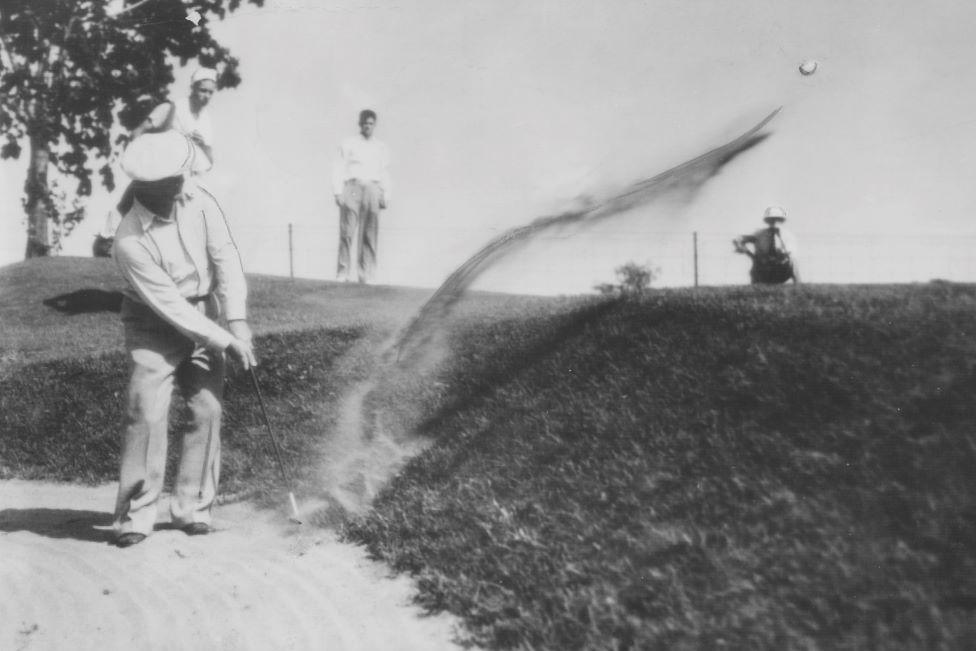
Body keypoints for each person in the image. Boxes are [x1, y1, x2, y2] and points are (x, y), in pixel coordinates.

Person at [111, 130, 256, 548]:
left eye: (180, 176)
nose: (181, 185)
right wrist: (226, 341)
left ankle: (192, 508)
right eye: (172, 181)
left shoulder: (199, 199)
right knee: (147, 411)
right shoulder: (129, 239)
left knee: (207, 408)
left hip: (204, 308)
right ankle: (137, 515)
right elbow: (170, 306)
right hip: (152, 321)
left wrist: (238, 320)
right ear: (145, 186)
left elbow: (225, 255)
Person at [331, 109, 392, 283]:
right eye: (365, 123)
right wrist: (337, 191)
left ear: (374, 125)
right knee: (347, 232)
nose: (368, 126)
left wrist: (386, 194)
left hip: (373, 188)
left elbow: (385, 171)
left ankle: (367, 275)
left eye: (371, 123)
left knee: (370, 234)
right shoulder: (349, 143)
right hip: (353, 187)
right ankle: (342, 273)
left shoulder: (381, 147)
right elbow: (338, 166)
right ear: (360, 124)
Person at [131, 66, 218, 170]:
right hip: (157, 172)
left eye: (210, 92)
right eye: (203, 90)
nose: (207, 96)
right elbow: (138, 131)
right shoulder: (171, 108)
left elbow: (209, 163)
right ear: (193, 88)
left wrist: (202, 145)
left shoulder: (205, 121)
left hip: (183, 177)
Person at [733, 206, 801, 284]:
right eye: (771, 220)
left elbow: (789, 255)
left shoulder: (788, 236)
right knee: (755, 269)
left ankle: (799, 287)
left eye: (777, 219)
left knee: (793, 262)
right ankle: (754, 291)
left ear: (782, 221)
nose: (774, 222)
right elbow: (738, 239)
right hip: (763, 269)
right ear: (767, 221)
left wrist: (780, 257)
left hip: (780, 270)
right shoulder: (759, 234)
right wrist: (747, 252)